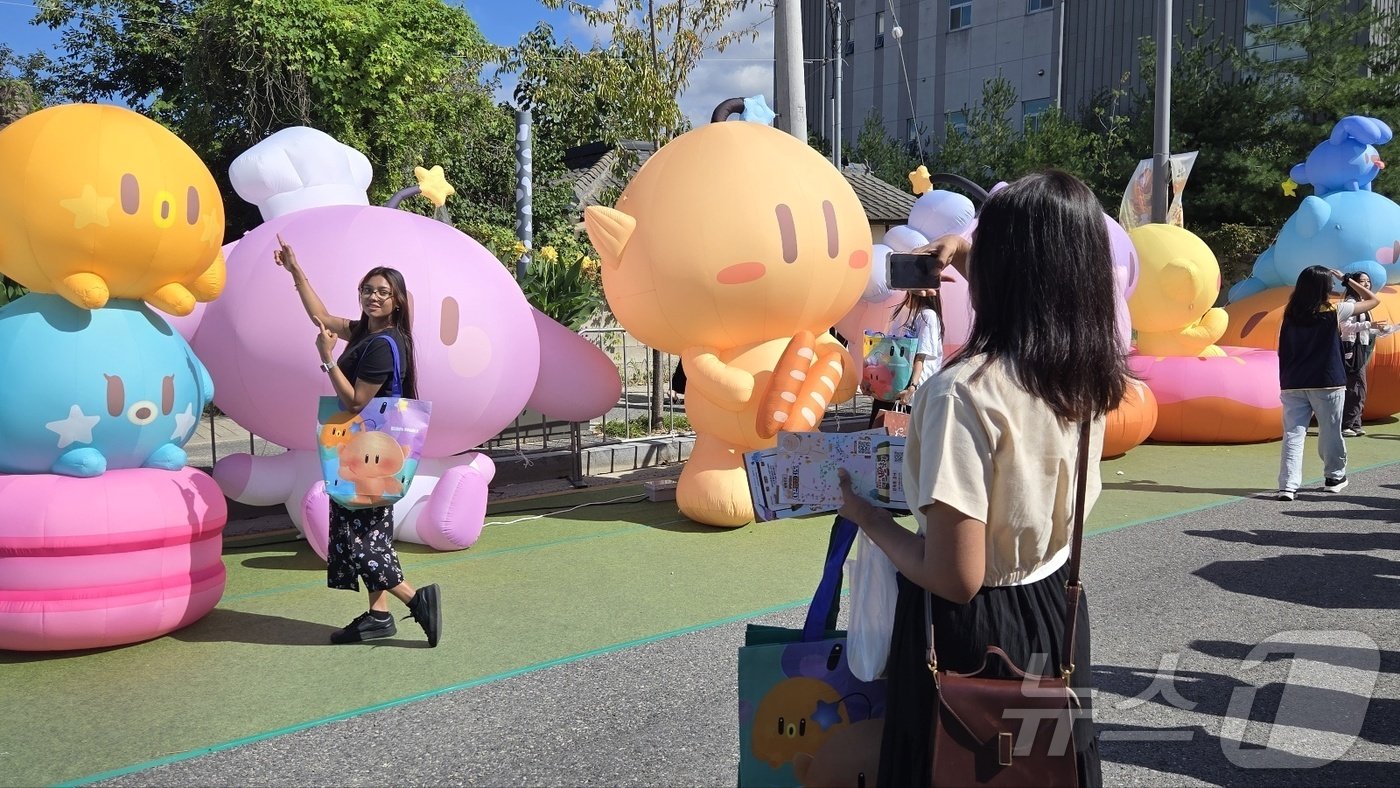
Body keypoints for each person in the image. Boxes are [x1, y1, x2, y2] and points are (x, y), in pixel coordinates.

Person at [836, 171, 1122, 787]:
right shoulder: (1085, 375)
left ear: (1003, 267)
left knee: (957, 762)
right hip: (1055, 607)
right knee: (1044, 768)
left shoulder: (960, 394)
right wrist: (971, 254)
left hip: (970, 635)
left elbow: (954, 575)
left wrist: (866, 516)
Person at [274, 235, 443, 647]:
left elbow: (354, 402)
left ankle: (416, 599)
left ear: (397, 301)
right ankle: (378, 616)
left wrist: (327, 359)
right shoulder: (366, 332)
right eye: (368, 289)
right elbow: (322, 316)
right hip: (370, 454)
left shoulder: (383, 346)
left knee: (358, 540)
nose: (374, 297)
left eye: (383, 292)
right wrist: (296, 270)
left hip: (367, 454)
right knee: (372, 535)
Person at [1276, 266, 1379, 500]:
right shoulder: (1335, 309)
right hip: (1327, 381)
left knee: (1293, 434)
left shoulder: (1289, 313)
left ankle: (1288, 486)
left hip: (1293, 382)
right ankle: (1334, 477)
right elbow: (1373, 300)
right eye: (1330, 285)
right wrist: (1347, 279)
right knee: (1331, 431)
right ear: (1325, 287)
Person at [865, 288, 944, 429]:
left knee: (903, 443)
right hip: (890, 386)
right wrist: (870, 378)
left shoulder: (927, 315)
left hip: (912, 392)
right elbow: (888, 350)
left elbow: (921, 356)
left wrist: (912, 387)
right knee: (876, 439)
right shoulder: (900, 310)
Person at [1338, 272, 1394, 436]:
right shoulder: (1350, 303)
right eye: (1362, 281)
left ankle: (1354, 423)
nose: (1367, 284)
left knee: (1358, 386)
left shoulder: (1363, 303)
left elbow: (1364, 329)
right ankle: (1347, 424)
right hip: (1351, 348)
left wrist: (1379, 329)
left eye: (1368, 281)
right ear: (1353, 284)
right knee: (1356, 386)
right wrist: (1369, 324)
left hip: (1361, 347)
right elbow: (1345, 327)